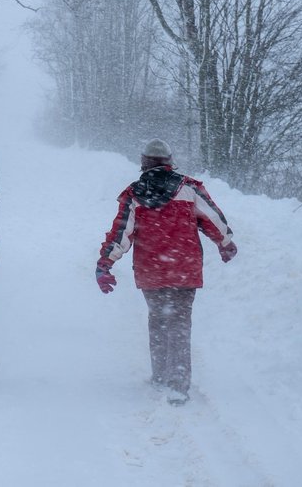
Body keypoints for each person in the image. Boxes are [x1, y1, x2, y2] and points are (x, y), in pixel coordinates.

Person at [95, 139, 237, 406]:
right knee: (180, 324)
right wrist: (225, 242)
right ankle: (179, 384)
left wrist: (105, 264)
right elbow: (213, 219)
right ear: (170, 161)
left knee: (159, 320)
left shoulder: (134, 194)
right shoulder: (189, 188)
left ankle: (161, 375)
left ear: (143, 162)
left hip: (152, 271)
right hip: (184, 269)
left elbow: (121, 233)